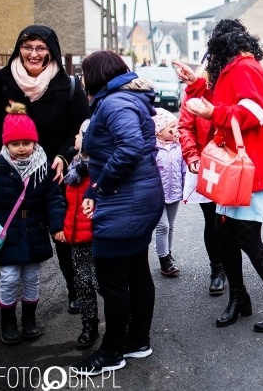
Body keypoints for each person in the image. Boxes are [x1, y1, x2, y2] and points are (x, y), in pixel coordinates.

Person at [172, 18, 263, 334]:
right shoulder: (242, 67)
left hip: (251, 170)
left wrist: (212, 113)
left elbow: (255, 113)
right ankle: (240, 298)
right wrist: (196, 86)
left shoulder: (242, 68)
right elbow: (227, 103)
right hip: (244, 169)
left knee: (243, 235)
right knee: (224, 232)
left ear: (219, 47)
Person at [72, 50, 164, 375]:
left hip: (125, 201)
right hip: (137, 196)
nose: (82, 80)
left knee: (112, 278)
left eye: (84, 73)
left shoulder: (114, 103)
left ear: (95, 75)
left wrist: (99, 188)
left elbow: (128, 148)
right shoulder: (125, 98)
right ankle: (137, 341)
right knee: (137, 269)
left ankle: (112, 352)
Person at [0, 25, 90, 315]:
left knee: (62, 231)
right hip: (9, 171)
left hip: (52, 171)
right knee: (11, 229)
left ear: (51, 50)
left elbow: (81, 129)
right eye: (27, 47)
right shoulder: (1, 81)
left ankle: (74, 290)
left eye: (40, 47)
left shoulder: (68, 84)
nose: (33, 53)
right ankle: (10, 305)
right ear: (18, 49)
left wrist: (64, 154)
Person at [0, 102, 65, 345]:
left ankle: (29, 319)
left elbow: (54, 199)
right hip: (8, 231)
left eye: (26, 143)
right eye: (15, 144)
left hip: (34, 229)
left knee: (32, 277)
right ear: (6, 145)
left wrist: (57, 226)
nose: (22, 148)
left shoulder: (43, 168)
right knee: (9, 277)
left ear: (35, 142)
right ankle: (8, 321)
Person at [178, 68, 226, 296]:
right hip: (204, 162)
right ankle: (217, 269)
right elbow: (185, 126)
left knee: (231, 221)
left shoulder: (229, 88)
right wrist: (192, 155)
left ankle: (230, 268)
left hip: (230, 163)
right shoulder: (194, 93)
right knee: (212, 219)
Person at [62, 119, 100, 349]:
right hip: (78, 237)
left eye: (79, 134)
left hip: (98, 236)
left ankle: (124, 321)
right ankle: (89, 325)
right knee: (83, 282)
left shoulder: (99, 170)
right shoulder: (73, 167)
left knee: (103, 283)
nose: (75, 138)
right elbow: (62, 200)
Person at [152, 108, 186, 278]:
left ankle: (168, 253)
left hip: (174, 192)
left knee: (170, 225)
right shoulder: (152, 148)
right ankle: (164, 259)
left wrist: (186, 187)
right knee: (162, 225)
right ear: (159, 130)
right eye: (171, 127)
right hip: (157, 195)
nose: (175, 130)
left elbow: (183, 168)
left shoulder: (178, 147)